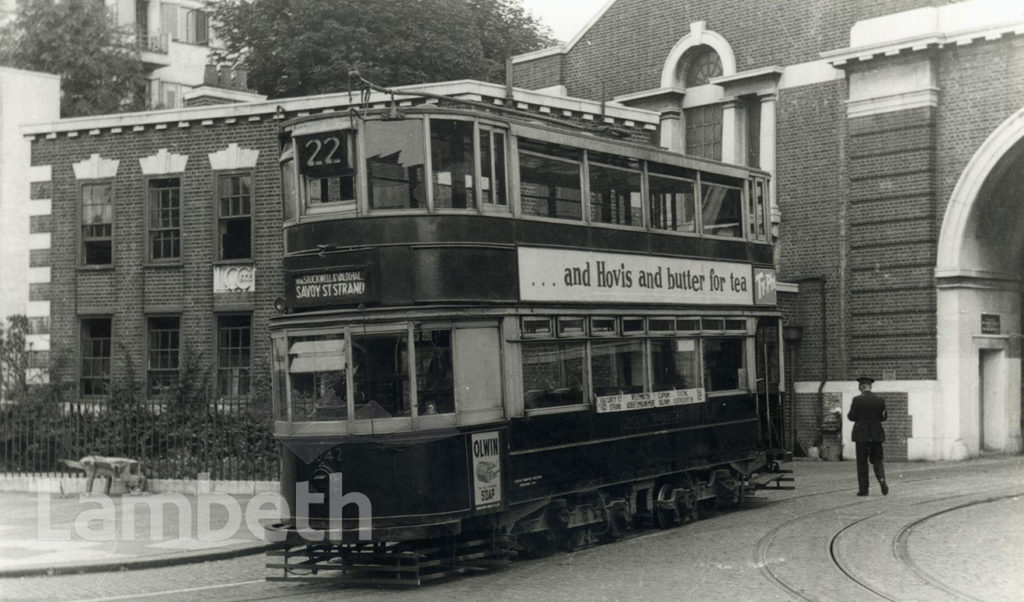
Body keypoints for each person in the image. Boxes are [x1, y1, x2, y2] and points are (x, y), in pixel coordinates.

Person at [847, 376, 888, 496]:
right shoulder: (880, 399)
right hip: (876, 435)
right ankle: (882, 481)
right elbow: (884, 417)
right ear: (870, 387)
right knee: (877, 460)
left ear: (861, 387)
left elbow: (851, 417)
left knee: (862, 463)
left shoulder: (857, 400)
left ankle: (864, 490)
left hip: (861, 436)